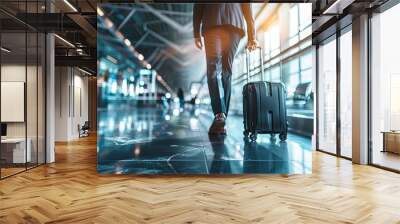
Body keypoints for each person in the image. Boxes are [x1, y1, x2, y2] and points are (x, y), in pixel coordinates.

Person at [193, 3, 258, 135]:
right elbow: (248, 6)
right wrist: (252, 36)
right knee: (227, 71)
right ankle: (222, 117)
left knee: (213, 68)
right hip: (235, 24)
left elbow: (198, 5)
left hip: (212, 21)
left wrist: (196, 33)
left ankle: (219, 114)